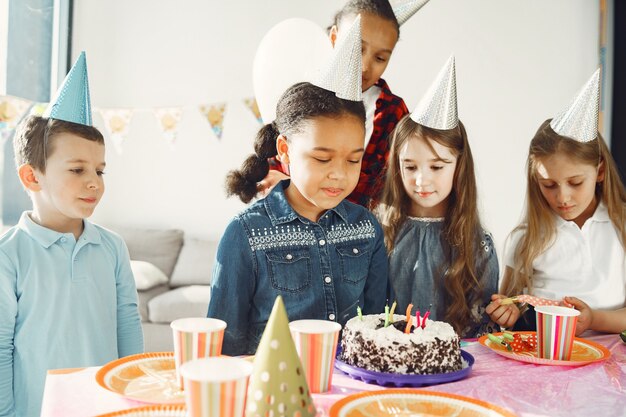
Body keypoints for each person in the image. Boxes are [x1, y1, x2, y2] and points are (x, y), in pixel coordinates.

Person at [208, 21, 387, 355]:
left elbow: (377, 328)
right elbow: (225, 346)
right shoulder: (244, 235)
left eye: (353, 160)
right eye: (322, 159)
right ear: (286, 151)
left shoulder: (367, 229)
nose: (339, 175)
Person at [0, 53, 143, 417]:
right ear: (32, 177)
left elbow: (127, 327)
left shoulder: (112, 247)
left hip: (107, 407)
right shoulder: (9, 255)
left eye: (99, 170)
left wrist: (135, 399)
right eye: (77, 169)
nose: (94, 182)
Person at [487, 70, 626, 330]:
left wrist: (594, 319)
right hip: (549, 359)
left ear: (600, 171)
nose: (562, 198)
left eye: (575, 183)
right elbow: (511, 310)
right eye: (549, 185)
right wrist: (508, 314)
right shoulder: (527, 238)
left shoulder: (621, 225)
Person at [260, 0, 430, 208]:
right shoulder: (301, 96)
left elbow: (391, 187)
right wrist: (276, 182)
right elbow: (272, 162)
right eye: (357, 49)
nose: (365, 66)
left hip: (354, 231)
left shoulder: (392, 113)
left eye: (380, 58)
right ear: (334, 37)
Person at [378, 56, 499, 338]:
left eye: (436, 166)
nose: (422, 180)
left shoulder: (477, 245)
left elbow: (482, 335)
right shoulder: (381, 230)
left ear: (458, 165)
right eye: (410, 166)